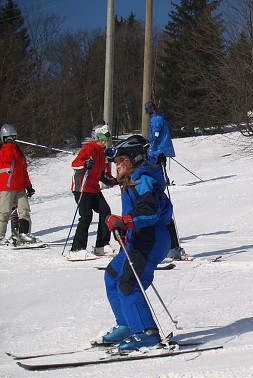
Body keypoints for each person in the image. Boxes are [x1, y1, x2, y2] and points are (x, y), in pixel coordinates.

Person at [101, 136, 174, 351]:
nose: (117, 165)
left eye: (122, 160)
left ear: (134, 160)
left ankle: (146, 334)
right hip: (138, 238)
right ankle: (127, 325)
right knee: (112, 276)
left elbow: (149, 212)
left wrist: (125, 221)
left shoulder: (144, 181)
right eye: (116, 162)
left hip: (151, 239)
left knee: (129, 283)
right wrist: (124, 229)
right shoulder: (131, 182)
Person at [68, 124, 118, 259]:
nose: (104, 142)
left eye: (105, 140)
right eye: (101, 139)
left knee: (105, 211)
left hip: (94, 188)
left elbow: (102, 175)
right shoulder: (88, 148)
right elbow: (75, 164)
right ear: (95, 137)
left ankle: (101, 246)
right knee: (86, 216)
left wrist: (115, 181)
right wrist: (85, 164)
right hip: (81, 188)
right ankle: (77, 249)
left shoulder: (102, 153)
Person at [144, 101, 184, 260]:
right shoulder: (157, 117)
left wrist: (151, 143)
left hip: (158, 148)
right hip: (158, 148)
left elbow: (156, 133)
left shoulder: (156, 118)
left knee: (158, 166)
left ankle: (163, 179)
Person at [0, 124, 37, 247]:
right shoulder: (3, 151)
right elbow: (7, 159)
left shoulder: (19, 153)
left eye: (12, 137)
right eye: (7, 138)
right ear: (3, 139)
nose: (10, 140)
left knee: (24, 210)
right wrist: (9, 145)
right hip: (6, 187)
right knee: (4, 212)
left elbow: (24, 171)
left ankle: (23, 234)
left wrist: (29, 186)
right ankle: (0, 236)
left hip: (19, 187)